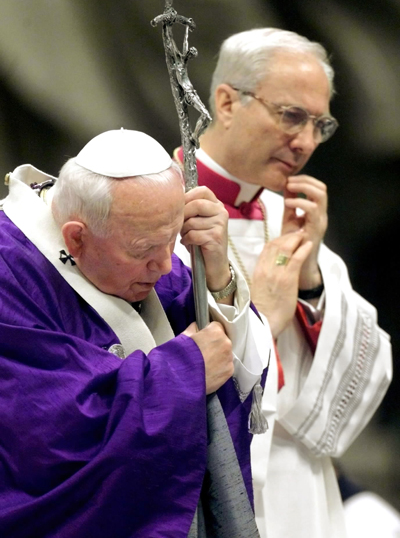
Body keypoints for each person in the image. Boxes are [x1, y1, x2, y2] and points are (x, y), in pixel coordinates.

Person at [173, 28, 392, 538]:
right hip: (207, 478)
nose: (306, 142)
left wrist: (312, 281)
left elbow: (368, 373)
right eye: (292, 116)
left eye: (320, 124)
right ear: (226, 102)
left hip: (299, 486)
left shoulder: (287, 217)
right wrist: (259, 321)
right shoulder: (156, 206)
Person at [0, 129, 272, 537]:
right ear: (76, 237)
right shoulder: (10, 270)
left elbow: (225, 355)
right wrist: (184, 371)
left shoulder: (131, 232)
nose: (165, 267)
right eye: (145, 251)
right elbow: (45, 433)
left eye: (171, 243)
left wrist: (217, 277)